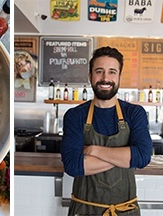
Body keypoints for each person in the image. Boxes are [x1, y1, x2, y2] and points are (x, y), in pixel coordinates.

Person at [61, 46, 152, 215]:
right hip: (84, 210)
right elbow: (73, 166)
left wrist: (94, 151)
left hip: (125, 211)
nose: (105, 78)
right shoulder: (75, 116)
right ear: (90, 76)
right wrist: (124, 158)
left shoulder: (134, 113)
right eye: (99, 71)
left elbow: (143, 157)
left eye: (111, 72)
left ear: (119, 77)